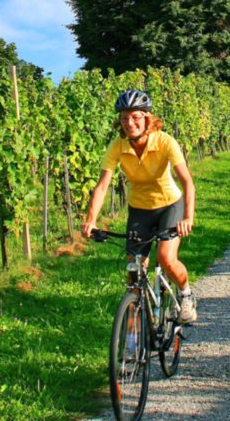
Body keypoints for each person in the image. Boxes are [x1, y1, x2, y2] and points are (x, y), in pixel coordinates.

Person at [82, 89, 198, 324]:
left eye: (135, 117)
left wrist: (188, 217)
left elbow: (187, 182)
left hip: (169, 206)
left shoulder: (165, 141)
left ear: (147, 118)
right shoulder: (118, 146)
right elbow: (103, 185)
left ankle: (186, 294)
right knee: (133, 272)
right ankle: (133, 342)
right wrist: (91, 220)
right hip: (139, 209)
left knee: (166, 258)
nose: (129, 123)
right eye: (125, 118)